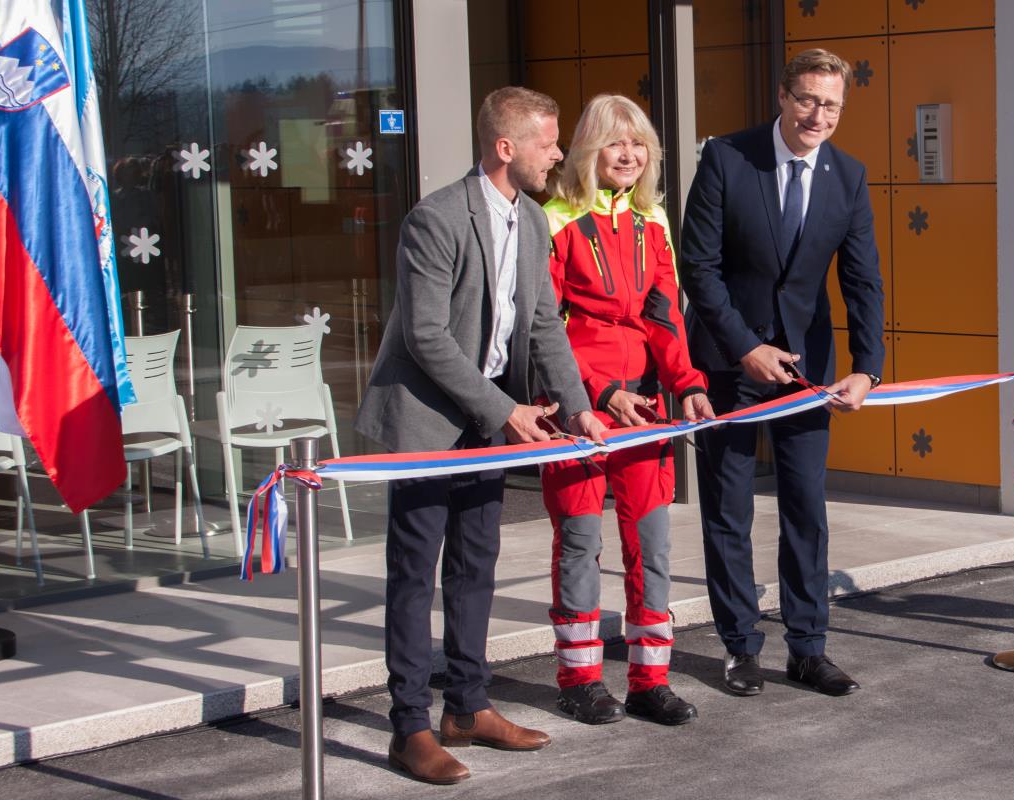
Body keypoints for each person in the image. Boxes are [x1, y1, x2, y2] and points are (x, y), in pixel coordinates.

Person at [355, 86, 607, 785]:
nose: (557, 154)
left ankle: (467, 707)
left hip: (486, 420)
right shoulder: (434, 219)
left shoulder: (532, 219)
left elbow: (543, 323)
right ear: (505, 147)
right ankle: (409, 727)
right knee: (415, 574)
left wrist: (578, 407)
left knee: (475, 566)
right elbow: (426, 337)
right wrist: (505, 411)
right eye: (547, 143)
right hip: (426, 421)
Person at [679, 49, 885, 699]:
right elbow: (698, 267)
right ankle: (740, 646)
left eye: (832, 105)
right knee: (729, 509)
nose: (818, 115)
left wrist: (868, 370)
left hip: (808, 370)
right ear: (782, 96)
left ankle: (808, 648)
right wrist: (744, 347)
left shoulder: (848, 176)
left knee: (805, 509)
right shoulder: (726, 158)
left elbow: (862, 280)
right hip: (729, 362)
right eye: (808, 100)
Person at [540, 95, 714, 727]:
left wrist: (688, 383)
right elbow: (543, 331)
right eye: (616, 142)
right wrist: (597, 392)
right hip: (577, 411)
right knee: (579, 544)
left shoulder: (654, 220)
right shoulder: (554, 219)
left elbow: (664, 316)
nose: (629, 154)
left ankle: (650, 682)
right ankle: (580, 681)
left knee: (652, 547)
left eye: (639, 143)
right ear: (589, 150)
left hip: (646, 409)